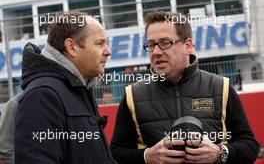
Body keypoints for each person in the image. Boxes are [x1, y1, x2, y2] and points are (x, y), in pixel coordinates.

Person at [110, 11, 259, 164]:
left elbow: (250, 146)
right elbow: (115, 153)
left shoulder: (221, 87)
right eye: (151, 44)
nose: (156, 52)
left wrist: (219, 153)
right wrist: (147, 156)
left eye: (165, 43)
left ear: (187, 45)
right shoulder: (132, 95)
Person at [15, 11, 116, 164]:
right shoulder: (42, 95)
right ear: (71, 47)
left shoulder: (79, 88)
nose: (108, 51)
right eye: (99, 43)